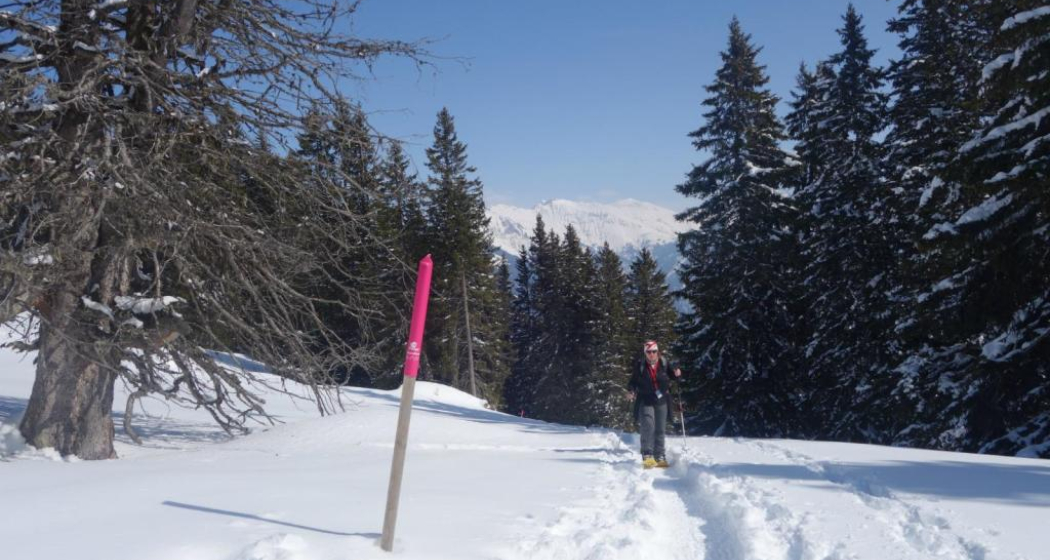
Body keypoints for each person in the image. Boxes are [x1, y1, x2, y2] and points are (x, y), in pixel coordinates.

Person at [626, 340, 682, 469]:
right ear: (645, 353)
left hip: (662, 400)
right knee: (648, 426)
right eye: (649, 352)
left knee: (660, 428)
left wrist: (677, 374)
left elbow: (673, 377)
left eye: (654, 351)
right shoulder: (640, 365)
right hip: (645, 399)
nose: (651, 354)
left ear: (658, 352)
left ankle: (660, 455)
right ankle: (647, 454)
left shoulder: (663, 363)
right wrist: (631, 391)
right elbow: (633, 382)